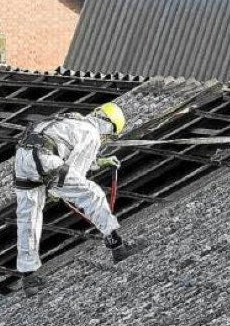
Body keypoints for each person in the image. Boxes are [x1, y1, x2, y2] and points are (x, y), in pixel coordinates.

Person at [13, 102, 138, 293]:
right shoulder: (92, 133)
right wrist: (56, 191)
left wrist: (99, 162)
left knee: (28, 218)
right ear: (109, 128)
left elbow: (68, 152)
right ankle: (117, 246)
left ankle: (29, 278)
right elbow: (75, 172)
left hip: (23, 158)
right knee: (92, 194)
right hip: (46, 159)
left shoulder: (72, 119)